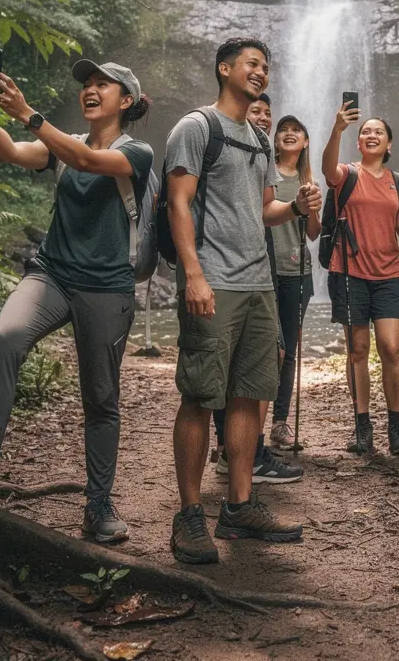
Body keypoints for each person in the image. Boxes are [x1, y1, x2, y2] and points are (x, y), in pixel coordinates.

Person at [0, 60, 154, 544]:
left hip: (106, 287)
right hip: (51, 274)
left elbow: (89, 161)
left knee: (100, 398)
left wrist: (29, 112)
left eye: (103, 85)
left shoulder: (137, 152)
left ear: (127, 101)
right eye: (86, 85)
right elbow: (12, 151)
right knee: (3, 341)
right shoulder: (60, 144)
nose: (90, 90)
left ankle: (98, 505)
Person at [165, 37, 321, 565]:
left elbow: (263, 210)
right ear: (224, 68)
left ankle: (239, 506)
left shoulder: (257, 139)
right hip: (214, 280)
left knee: (249, 397)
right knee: (199, 395)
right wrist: (193, 274)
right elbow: (178, 203)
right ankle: (188, 517)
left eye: (266, 67)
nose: (261, 73)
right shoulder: (196, 128)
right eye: (252, 64)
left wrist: (297, 207)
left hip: (259, 285)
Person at [211, 93, 304, 483]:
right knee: (230, 366)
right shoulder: (224, 146)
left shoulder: (263, 156)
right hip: (226, 272)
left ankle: (243, 452)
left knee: (264, 358)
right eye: (256, 112)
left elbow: (267, 214)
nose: (264, 118)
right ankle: (238, 454)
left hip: (261, 273)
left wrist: (298, 207)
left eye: (269, 112)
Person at [321, 104, 399, 456]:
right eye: (366, 131)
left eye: (378, 132)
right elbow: (325, 168)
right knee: (358, 350)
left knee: (391, 348)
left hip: (388, 274)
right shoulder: (346, 174)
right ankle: (362, 425)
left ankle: (397, 424)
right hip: (349, 272)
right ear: (359, 141)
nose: (371, 134)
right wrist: (337, 129)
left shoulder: (397, 183)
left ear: (389, 144)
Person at [269, 114, 321, 448]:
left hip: (297, 271)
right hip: (262, 270)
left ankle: (279, 422)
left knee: (288, 349)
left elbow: (314, 233)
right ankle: (244, 425)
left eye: (296, 131)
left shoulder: (310, 180)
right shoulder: (265, 173)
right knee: (267, 349)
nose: (289, 134)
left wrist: (311, 205)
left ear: (304, 142)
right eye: (284, 130)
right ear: (275, 140)